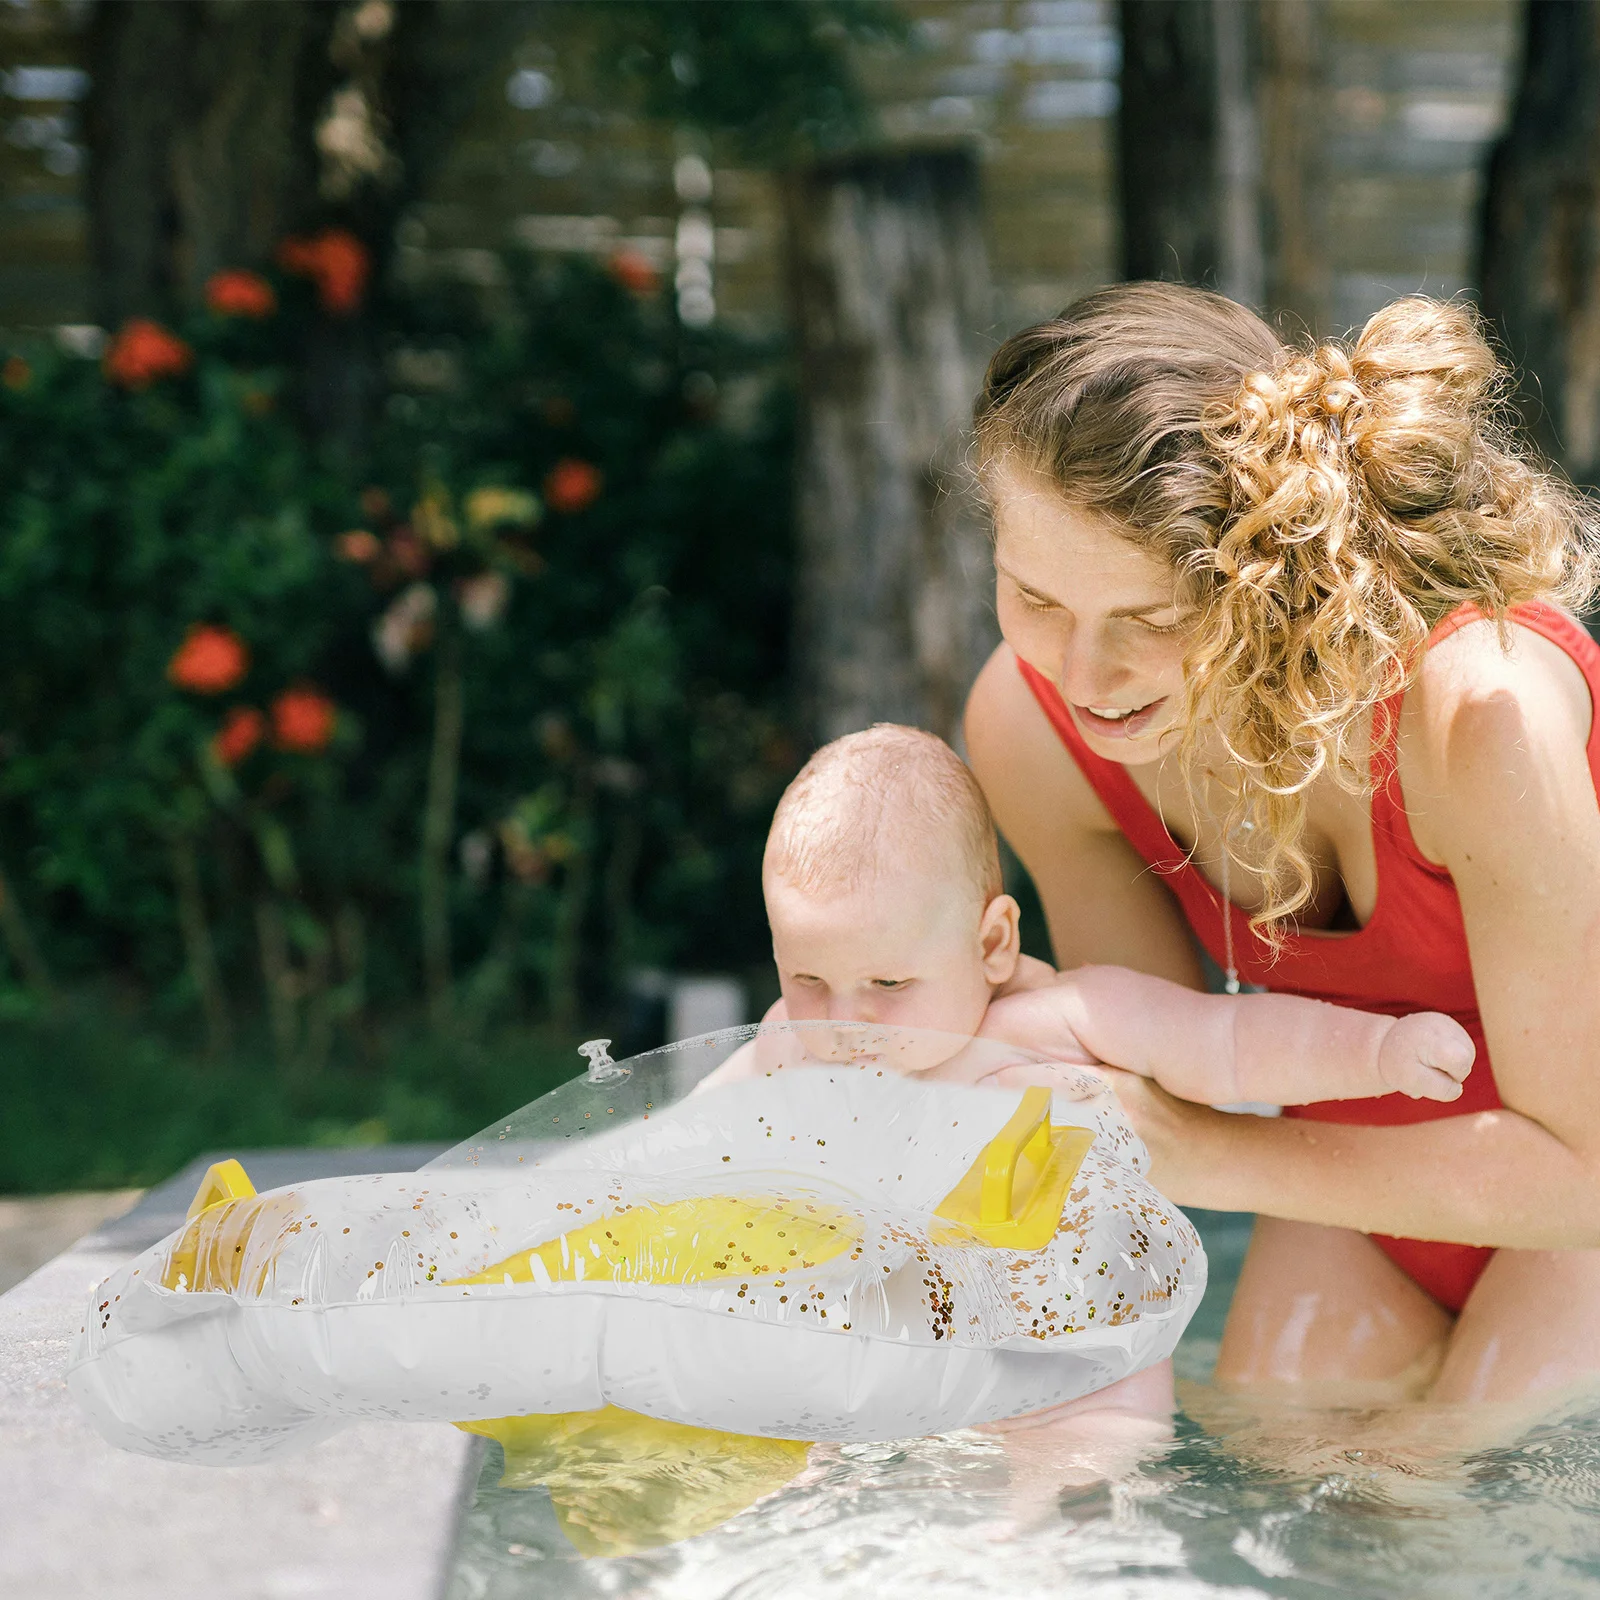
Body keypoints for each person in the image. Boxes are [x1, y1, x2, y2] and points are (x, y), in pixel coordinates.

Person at [963, 283, 1600, 1406]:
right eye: (1033, 598)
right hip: (1353, 1179)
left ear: (1278, 578)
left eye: (1151, 621)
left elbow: (1585, 1174)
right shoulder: (1034, 728)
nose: (1080, 675)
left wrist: (1209, 1159)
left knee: (1467, 1502)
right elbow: (1152, 1073)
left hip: (1577, 1185)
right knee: (1292, 1498)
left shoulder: (1479, 715)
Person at [705, 723, 1474, 1112]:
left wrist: (1380, 1050)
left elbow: (1230, 1045)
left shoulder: (1067, 1022)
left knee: (1100, 1422)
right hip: (906, 1343)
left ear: (993, 944)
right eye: (808, 977)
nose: (846, 1020)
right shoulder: (787, 1048)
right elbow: (677, 1152)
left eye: (887, 981)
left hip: (1069, 1357)